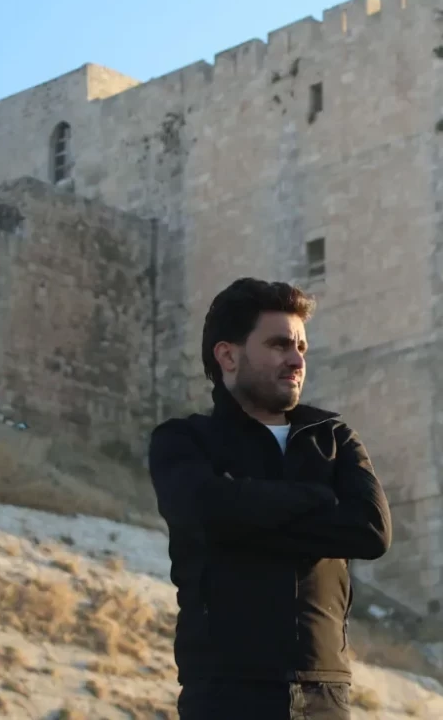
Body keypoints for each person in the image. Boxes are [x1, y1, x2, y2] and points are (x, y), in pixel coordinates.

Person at [149, 278, 392, 719]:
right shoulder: (184, 442)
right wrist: (317, 499)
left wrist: (249, 512)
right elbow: (209, 512)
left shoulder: (334, 438)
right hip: (226, 692)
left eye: (301, 347)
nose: (296, 360)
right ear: (228, 354)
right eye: (280, 345)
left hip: (325, 693)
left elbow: (371, 531)